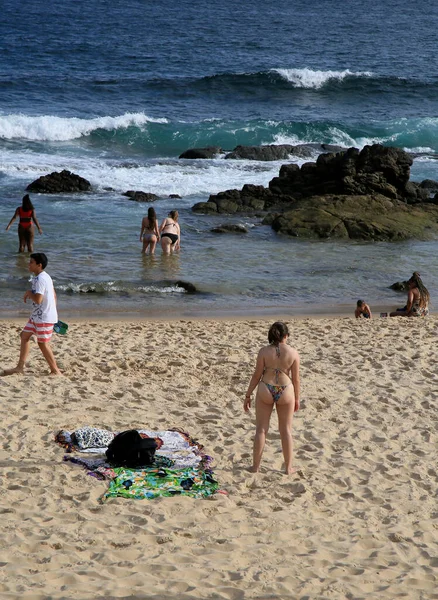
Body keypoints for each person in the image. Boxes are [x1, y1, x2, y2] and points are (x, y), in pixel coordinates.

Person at [244, 321, 300, 475]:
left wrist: (248, 394)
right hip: (286, 389)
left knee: (261, 430)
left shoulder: (263, 351)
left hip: (265, 388)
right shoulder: (293, 353)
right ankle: (288, 468)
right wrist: (296, 398)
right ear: (286, 336)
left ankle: (255, 467)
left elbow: (257, 375)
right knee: (286, 430)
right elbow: (296, 380)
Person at [1, 253, 61, 376]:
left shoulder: (39, 279)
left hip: (43, 317)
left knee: (42, 343)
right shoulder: (46, 276)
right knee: (24, 336)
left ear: (39, 265)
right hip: (37, 316)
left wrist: (29, 292)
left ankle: (55, 370)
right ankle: (19, 367)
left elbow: (38, 299)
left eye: (31, 262)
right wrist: (53, 312)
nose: (28, 264)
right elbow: (54, 295)